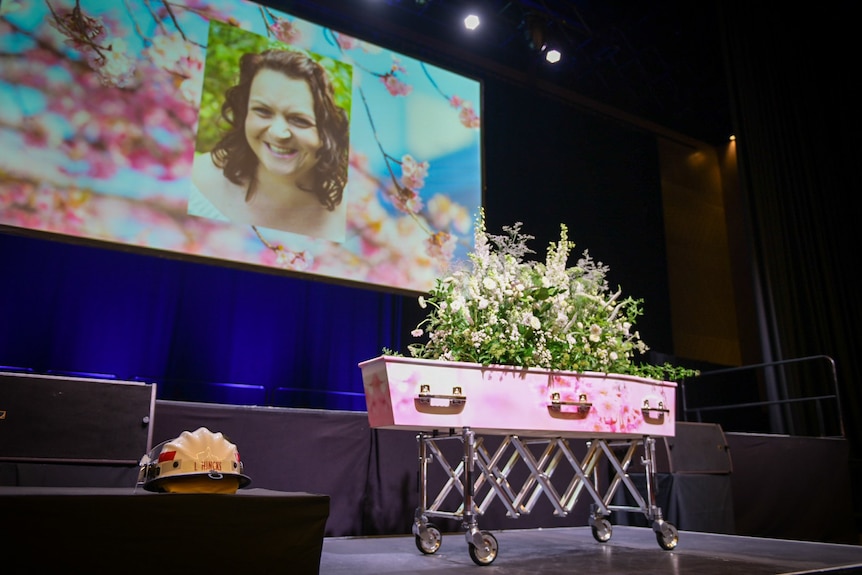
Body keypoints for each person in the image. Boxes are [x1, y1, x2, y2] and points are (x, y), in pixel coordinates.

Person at [190, 49, 350, 242]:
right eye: (263, 111)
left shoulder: (351, 214)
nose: (278, 133)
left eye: (299, 120)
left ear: (326, 133)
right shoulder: (198, 182)